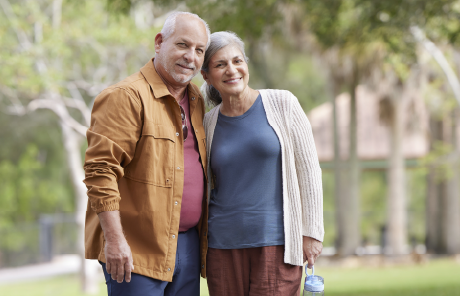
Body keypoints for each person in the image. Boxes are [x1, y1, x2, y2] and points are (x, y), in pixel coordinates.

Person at [83, 11, 211, 296]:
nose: (190, 56)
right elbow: (100, 173)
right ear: (159, 42)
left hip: (187, 245)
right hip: (135, 249)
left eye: (199, 50)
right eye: (182, 45)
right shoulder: (125, 96)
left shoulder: (197, 100)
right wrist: (115, 241)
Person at [201, 31, 324, 296]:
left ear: (246, 64)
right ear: (207, 76)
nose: (231, 70)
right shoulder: (208, 123)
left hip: (276, 244)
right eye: (220, 64)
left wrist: (312, 232)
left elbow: (310, 171)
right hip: (222, 246)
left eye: (237, 61)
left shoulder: (283, 103)